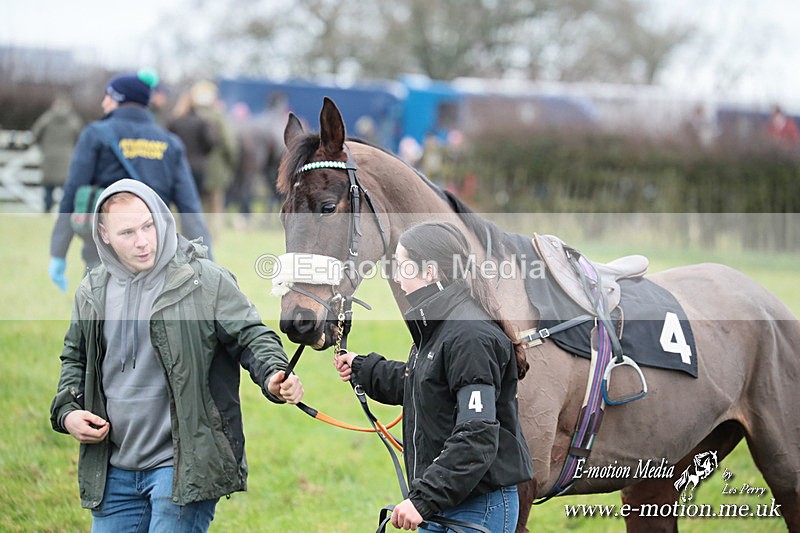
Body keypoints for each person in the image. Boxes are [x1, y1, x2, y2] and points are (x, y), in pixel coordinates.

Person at [49, 179, 304, 532]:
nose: (142, 241)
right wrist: (68, 411)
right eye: (127, 233)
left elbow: (251, 336)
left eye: (148, 225)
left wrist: (274, 373)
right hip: (114, 470)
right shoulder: (92, 290)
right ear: (104, 235)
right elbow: (74, 358)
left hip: (183, 467)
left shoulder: (205, 280)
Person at [334, 222, 533, 532]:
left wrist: (423, 500)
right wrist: (363, 368)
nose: (397, 277)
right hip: (445, 499)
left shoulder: (469, 336)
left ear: (430, 273)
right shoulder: (439, 326)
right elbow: (425, 384)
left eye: (402, 267)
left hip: (475, 507)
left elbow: (477, 435)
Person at [49, 69, 212, 293]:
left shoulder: (95, 134)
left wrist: (58, 251)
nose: (103, 102)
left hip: (107, 248)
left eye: (108, 95)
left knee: (100, 315)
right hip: (154, 247)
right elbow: (190, 209)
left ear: (118, 99)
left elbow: (72, 192)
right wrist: (207, 262)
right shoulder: (170, 143)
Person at [30, 93, 83, 212]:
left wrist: (42, 146)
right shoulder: (73, 120)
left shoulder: (47, 118)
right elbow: (80, 138)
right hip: (66, 158)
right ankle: (64, 213)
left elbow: (35, 133)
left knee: (48, 189)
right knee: (66, 190)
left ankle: (46, 212)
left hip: (49, 158)